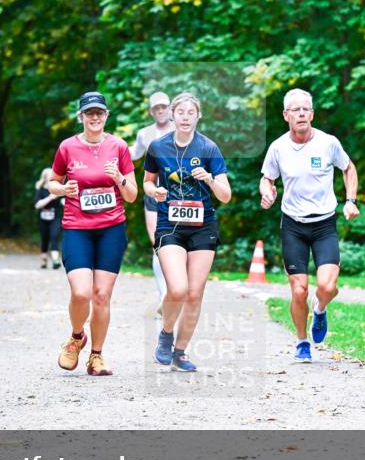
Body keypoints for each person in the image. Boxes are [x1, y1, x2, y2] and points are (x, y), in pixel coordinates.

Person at [258, 88, 359, 362]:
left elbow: (348, 168)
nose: (301, 113)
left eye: (305, 109)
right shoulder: (278, 147)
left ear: (312, 114)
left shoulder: (328, 143)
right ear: (286, 115)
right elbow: (267, 178)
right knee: (299, 289)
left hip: (324, 224)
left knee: (327, 287)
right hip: (293, 225)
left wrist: (350, 200)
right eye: (295, 109)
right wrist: (267, 191)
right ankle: (302, 342)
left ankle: (321, 309)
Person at [48, 92, 137, 376]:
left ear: (107, 115)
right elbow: (53, 183)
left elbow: (132, 195)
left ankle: (96, 356)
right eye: (89, 113)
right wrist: (63, 190)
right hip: (77, 227)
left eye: (99, 113)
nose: (95, 117)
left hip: (111, 228)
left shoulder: (119, 147)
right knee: (81, 292)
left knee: (101, 296)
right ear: (81, 117)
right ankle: (76, 337)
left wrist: (118, 178)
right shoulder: (67, 147)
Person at [143, 92, 231, 372]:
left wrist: (210, 180)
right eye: (179, 112)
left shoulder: (208, 148)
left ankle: (180, 353)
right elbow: (146, 182)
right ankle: (166, 335)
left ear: (198, 116)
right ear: (172, 115)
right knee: (177, 288)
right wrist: (154, 191)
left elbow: (226, 195)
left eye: (190, 112)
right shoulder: (158, 147)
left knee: (194, 294)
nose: (184, 117)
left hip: (203, 226)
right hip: (171, 225)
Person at [131, 91, 173, 314]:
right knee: (158, 245)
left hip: (180, 194)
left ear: (170, 109)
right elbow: (132, 155)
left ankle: (177, 292)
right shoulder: (145, 134)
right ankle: (164, 295)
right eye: (156, 108)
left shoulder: (182, 129)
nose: (161, 111)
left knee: (179, 244)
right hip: (153, 192)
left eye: (164, 107)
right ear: (151, 111)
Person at [34, 167, 63, 269]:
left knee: (54, 236)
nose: (52, 177)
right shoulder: (40, 190)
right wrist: (50, 197)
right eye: (49, 175)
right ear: (45, 178)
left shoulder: (58, 188)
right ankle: (44, 260)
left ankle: (55, 260)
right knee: (45, 238)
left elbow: (64, 201)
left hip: (55, 217)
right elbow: (37, 205)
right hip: (42, 218)